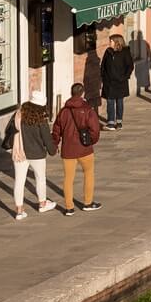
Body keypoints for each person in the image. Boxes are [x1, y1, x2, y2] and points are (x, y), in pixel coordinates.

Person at [4, 89, 57, 219]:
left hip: (19, 152)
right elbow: (46, 138)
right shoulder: (41, 119)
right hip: (37, 153)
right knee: (40, 179)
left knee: (19, 181)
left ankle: (19, 211)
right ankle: (42, 203)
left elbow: (9, 130)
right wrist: (53, 150)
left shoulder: (18, 115)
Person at [54, 83, 103, 214]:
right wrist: (92, 141)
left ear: (71, 93)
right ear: (82, 93)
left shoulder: (64, 111)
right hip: (84, 149)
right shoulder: (88, 110)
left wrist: (55, 143)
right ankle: (88, 202)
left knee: (68, 179)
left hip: (68, 150)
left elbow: (56, 129)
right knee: (88, 175)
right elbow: (95, 129)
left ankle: (69, 207)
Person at [100, 33, 132, 128]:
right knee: (110, 101)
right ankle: (110, 122)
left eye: (111, 41)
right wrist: (103, 76)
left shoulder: (125, 52)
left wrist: (124, 77)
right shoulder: (108, 52)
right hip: (109, 82)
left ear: (116, 42)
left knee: (119, 101)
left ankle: (119, 121)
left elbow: (130, 66)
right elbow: (103, 65)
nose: (109, 43)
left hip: (120, 82)